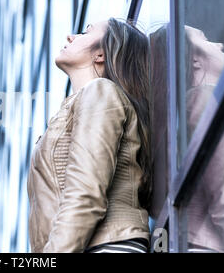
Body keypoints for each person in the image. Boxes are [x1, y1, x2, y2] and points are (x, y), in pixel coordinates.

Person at [27, 18, 152, 253]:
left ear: (101, 54)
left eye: (86, 32)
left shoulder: (100, 92)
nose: (70, 37)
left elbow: (85, 191)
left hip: (106, 246)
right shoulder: (82, 104)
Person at [150, 25, 224, 253]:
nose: (219, 44)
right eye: (206, 38)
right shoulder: (203, 99)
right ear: (195, 61)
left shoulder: (177, 116)